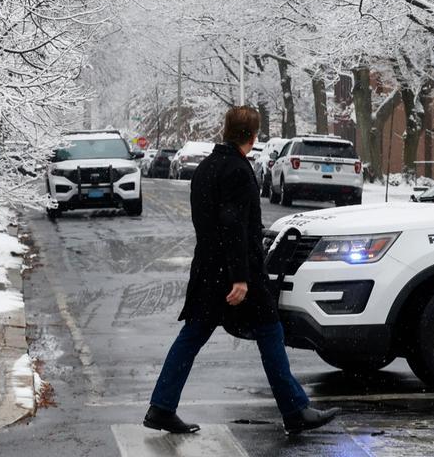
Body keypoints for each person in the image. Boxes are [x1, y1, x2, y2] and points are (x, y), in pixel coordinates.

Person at [143, 105, 340, 437]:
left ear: (226, 129)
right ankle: (295, 410)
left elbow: (214, 223)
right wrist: (240, 277)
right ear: (253, 134)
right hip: (236, 272)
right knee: (270, 332)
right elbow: (232, 225)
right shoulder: (236, 169)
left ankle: (161, 407)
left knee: (192, 337)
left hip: (206, 269)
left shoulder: (206, 168)